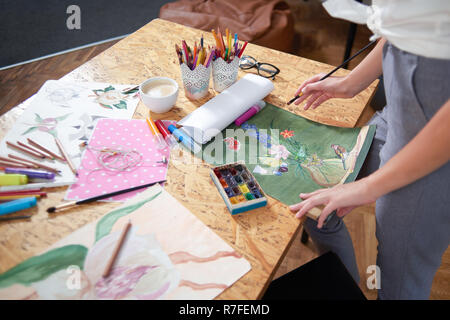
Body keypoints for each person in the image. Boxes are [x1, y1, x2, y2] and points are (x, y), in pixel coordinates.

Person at [289, 0, 450, 299]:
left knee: (398, 286)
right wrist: (351, 83)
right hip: (403, 110)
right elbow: (403, 23)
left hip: (435, 149)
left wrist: (366, 189)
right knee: (315, 197)